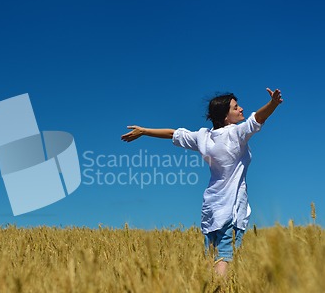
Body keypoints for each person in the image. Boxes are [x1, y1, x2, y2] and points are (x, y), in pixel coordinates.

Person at [121, 88, 283, 276]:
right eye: (236, 107)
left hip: (211, 208)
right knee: (225, 258)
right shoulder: (235, 133)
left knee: (211, 258)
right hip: (231, 208)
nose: (241, 109)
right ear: (225, 116)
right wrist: (272, 104)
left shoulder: (202, 136)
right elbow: (257, 119)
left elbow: (173, 133)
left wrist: (144, 131)